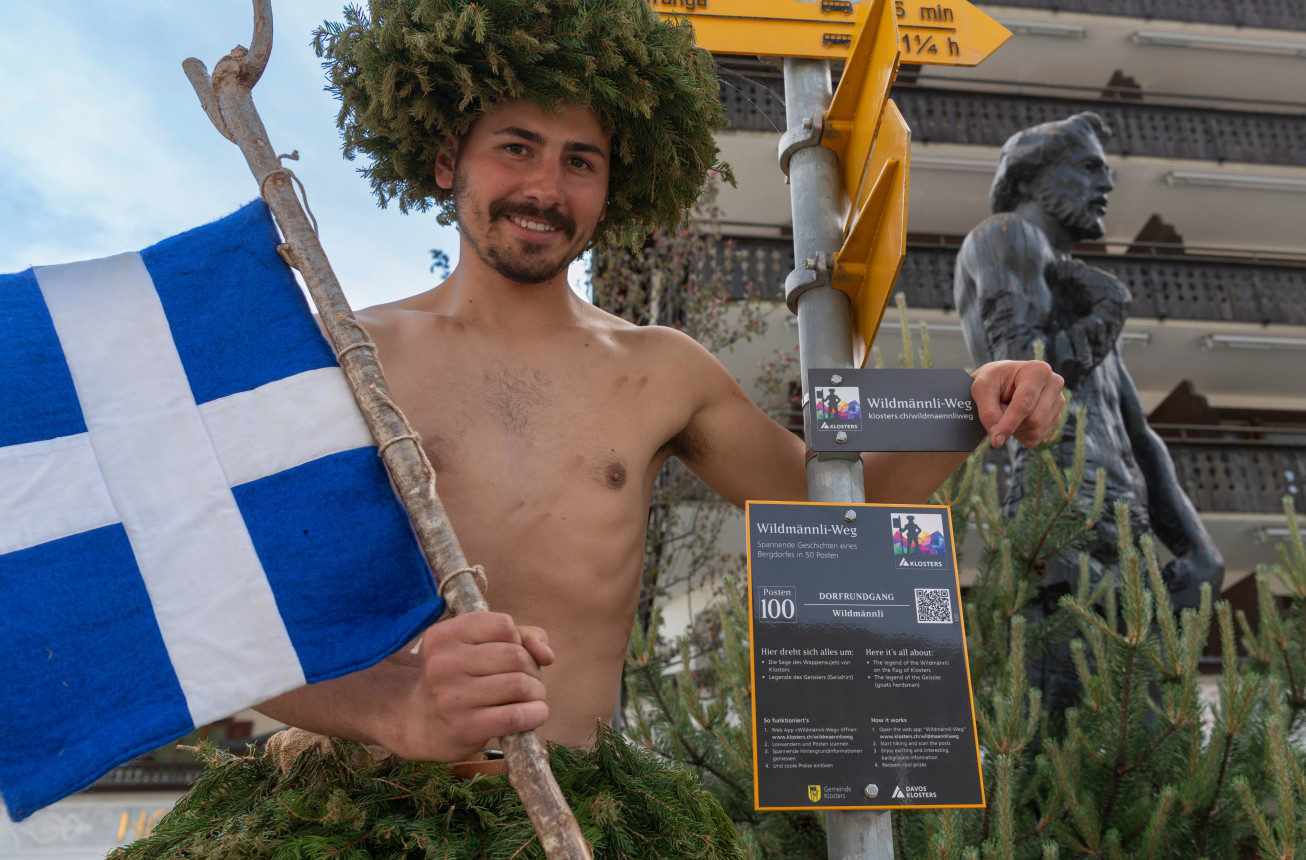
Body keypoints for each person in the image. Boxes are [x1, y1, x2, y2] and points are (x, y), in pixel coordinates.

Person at [256, 0, 1066, 764]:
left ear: (610, 190)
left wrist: (976, 403)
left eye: (581, 161)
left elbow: (840, 512)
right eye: (515, 147)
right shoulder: (348, 356)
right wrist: (395, 710)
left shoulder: (662, 371)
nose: (545, 188)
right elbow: (221, 626)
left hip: (582, 812)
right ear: (444, 163)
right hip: (357, 812)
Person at [953, 113, 1223, 700]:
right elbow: (1024, 376)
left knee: (1139, 743)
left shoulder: (1077, 285)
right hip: (1061, 513)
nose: (1106, 184)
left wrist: (1199, 548)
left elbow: (1138, 433)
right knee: (1072, 723)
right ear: (1031, 180)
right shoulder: (1005, 237)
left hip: (1120, 526)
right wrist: (1106, 313)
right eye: (1089, 168)